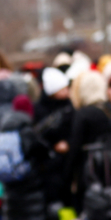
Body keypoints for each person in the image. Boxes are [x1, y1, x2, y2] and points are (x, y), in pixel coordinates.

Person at [0, 95, 46, 220]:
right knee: (31, 217)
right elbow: (39, 150)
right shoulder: (26, 130)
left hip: (9, 181)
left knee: (14, 219)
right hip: (29, 180)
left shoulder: (3, 129)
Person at [65, 70, 111, 213]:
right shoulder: (110, 109)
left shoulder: (83, 113)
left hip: (87, 172)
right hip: (109, 169)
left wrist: (67, 174)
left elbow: (75, 145)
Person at [34, 68, 75, 208]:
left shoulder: (71, 106)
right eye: (62, 88)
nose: (66, 91)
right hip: (49, 165)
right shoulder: (40, 110)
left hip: (67, 163)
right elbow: (37, 137)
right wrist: (53, 146)